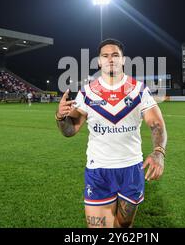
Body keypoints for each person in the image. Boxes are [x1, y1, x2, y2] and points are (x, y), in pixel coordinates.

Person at [55, 38, 167, 228]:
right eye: (105, 56)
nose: (110, 59)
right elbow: (70, 129)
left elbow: (157, 124)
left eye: (115, 55)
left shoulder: (139, 90)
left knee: (123, 226)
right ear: (99, 61)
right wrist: (60, 116)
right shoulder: (87, 93)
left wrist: (158, 152)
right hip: (98, 170)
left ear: (123, 60)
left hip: (131, 169)